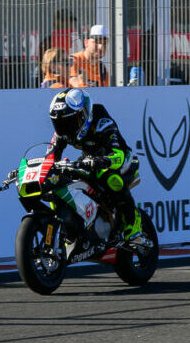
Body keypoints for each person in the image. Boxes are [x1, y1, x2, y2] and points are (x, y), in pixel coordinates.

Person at [45, 88, 144, 243]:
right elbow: (50, 156)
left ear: (84, 114)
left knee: (108, 176)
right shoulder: (62, 132)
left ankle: (134, 221)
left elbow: (118, 153)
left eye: (70, 122)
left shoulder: (102, 123)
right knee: (58, 176)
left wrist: (103, 161)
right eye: (59, 124)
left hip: (119, 158)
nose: (65, 128)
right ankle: (72, 223)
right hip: (89, 159)